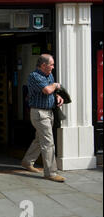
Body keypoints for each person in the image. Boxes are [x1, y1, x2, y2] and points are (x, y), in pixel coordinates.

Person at [22, 54, 66, 182]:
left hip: (49, 112)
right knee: (48, 142)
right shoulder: (34, 76)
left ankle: (27, 161)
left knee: (39, 139)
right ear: (43, 65)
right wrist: (56, 86)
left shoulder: (49, 75)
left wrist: (57, 97)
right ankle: (51, 173)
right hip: (39, 114)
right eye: (51, 64)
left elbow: (50, 92)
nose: (53, 67)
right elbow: (47, 90)